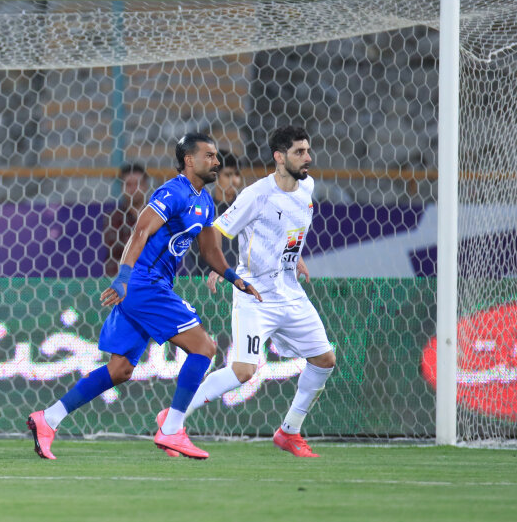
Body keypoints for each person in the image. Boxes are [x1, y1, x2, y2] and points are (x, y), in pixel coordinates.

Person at [27, 132, 261, 461]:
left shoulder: (205, 202)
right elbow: (141, 229)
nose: (216, 162)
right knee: (204, 348)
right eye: (209, 156)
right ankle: (172, 429)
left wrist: (233, 278)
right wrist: (123, 277)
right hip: (144, 283)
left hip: (153, 285)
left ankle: (48, 418)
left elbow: (210, 251)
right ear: (189, 160)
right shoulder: (173, 192)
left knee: (120, 369)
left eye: (216, 156)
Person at [183, 126, 335, 458]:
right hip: (255, 295)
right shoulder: (256, 195)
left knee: (324, 359)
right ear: (279, 157)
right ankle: (174, 416)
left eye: (308, 150)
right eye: (299, 152)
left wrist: (296, 257)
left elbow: (291, 227)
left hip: (290, 292)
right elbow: (217, 230)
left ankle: (289, 432)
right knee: (243, 370)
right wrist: (219, 266)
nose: (307, 157)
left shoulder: (307, 187)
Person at [103, 163, 151, 277]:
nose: (133, 189)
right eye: (128, 184)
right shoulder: (114, 218)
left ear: (145, 186)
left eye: (137, 184)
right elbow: (117, 249)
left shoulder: (158, 216)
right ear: (122, 188)